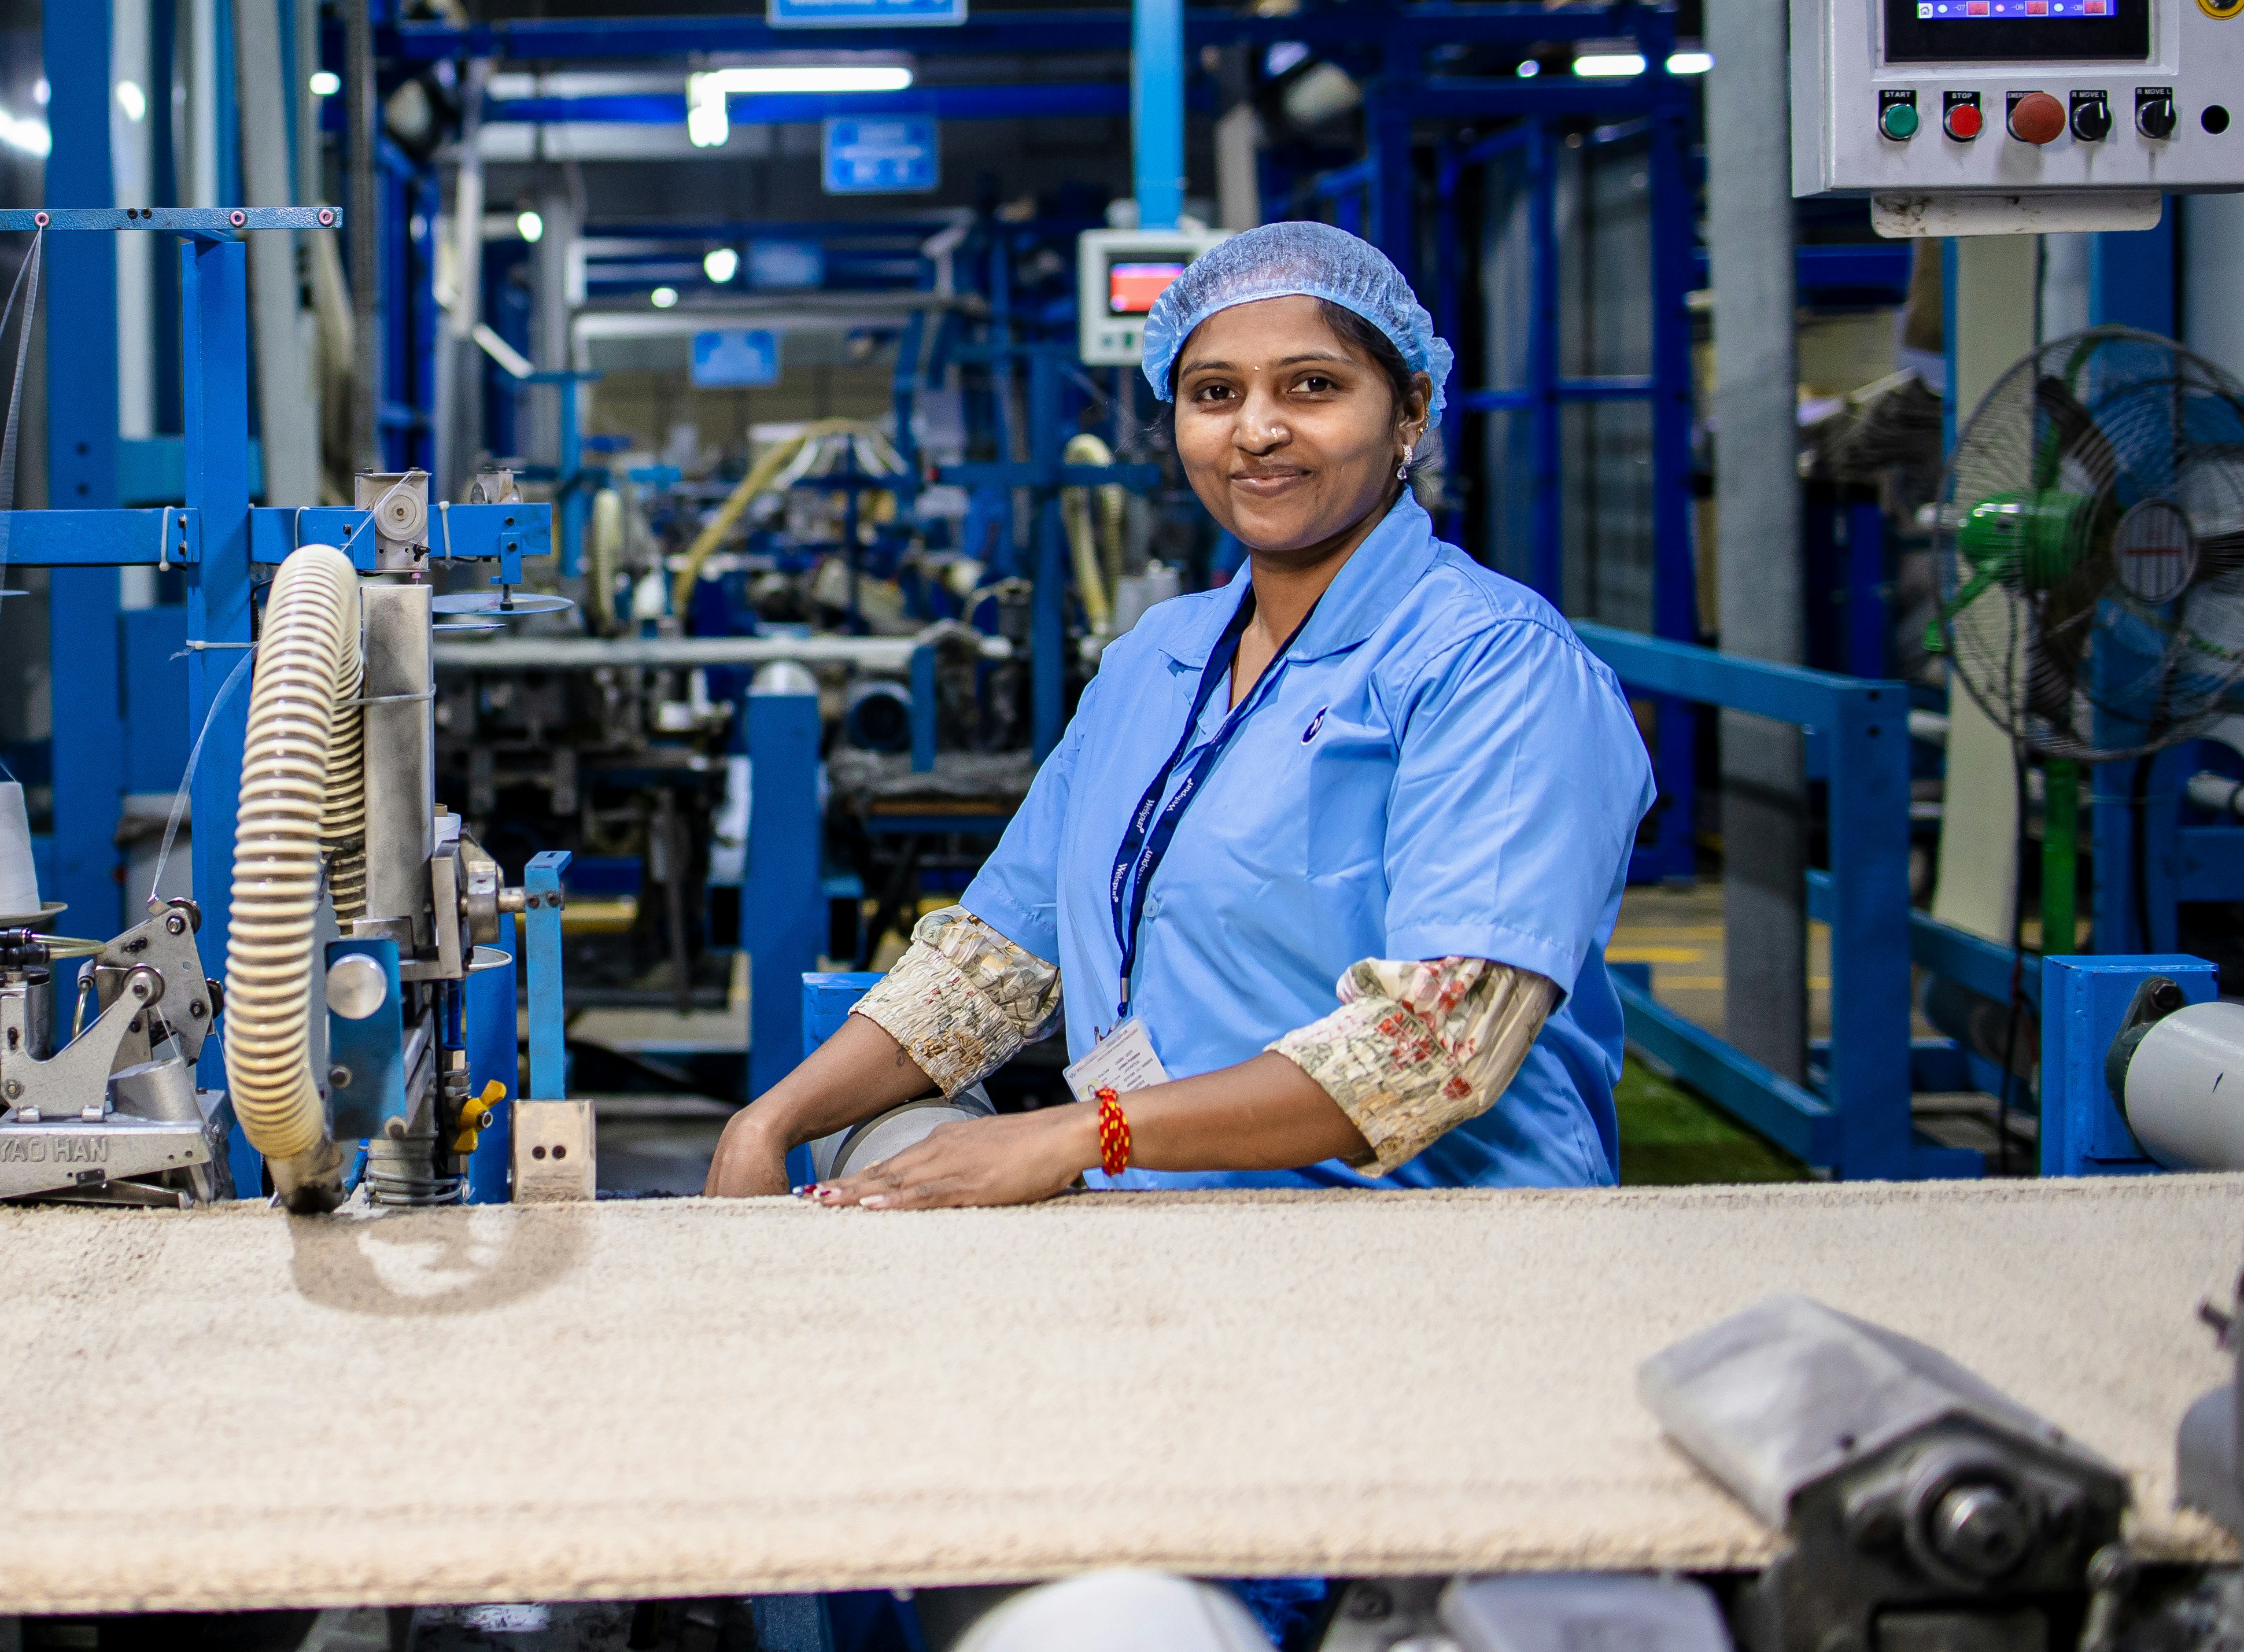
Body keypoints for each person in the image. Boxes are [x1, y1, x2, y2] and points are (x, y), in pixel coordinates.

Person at [704, 221, 1652, 1206]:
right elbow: (995, 961)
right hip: (1172, 1222)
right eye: (1215, 394)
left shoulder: (1493, 667)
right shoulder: (1156, 660)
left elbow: (1433, 1045)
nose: (1256, 431)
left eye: (1312, 386)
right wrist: (770, 1121)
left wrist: (1083, 1133)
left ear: (1410, 410)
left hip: (1439, 1247)